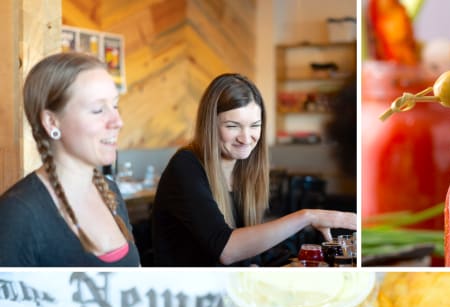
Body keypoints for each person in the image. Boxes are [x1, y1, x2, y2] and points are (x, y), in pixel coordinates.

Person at [151, 73, 356, 266]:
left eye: (254, 125)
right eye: (232, 126)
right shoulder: (185, 166)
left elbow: (251, 247)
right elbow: (226, 249)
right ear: (210, 126)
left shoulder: (243, 168)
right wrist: (307, 217)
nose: (246, 138)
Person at [0, 52, 140, 267]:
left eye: (115, 105)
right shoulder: (19, 213)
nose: (117, 121)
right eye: (98, 109)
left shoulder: (110, 192)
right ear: (52, 122)